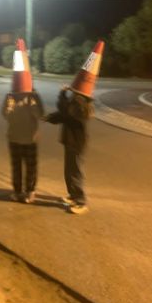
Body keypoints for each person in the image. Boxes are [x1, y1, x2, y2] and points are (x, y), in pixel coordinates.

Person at [2, 39, 44, 203]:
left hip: (29, 139)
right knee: (17, 167)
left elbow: (40, 115)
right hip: (14, 138)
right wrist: (10, 107)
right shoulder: (10, 97)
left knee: (31, 168)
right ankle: (18, 191)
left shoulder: (33, 97)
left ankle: (30, 191)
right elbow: (5, 115)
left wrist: (32, 102)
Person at [44, 85, 93, 214]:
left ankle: (81, 202)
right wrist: (49, 118)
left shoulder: (81, 102)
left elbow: (67, 112)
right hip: (70, 141)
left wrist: (62, 95)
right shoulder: (76, 100)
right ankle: (73, 195)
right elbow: (64, 115)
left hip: (76, 142)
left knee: (75, 171)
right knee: (69, 171)